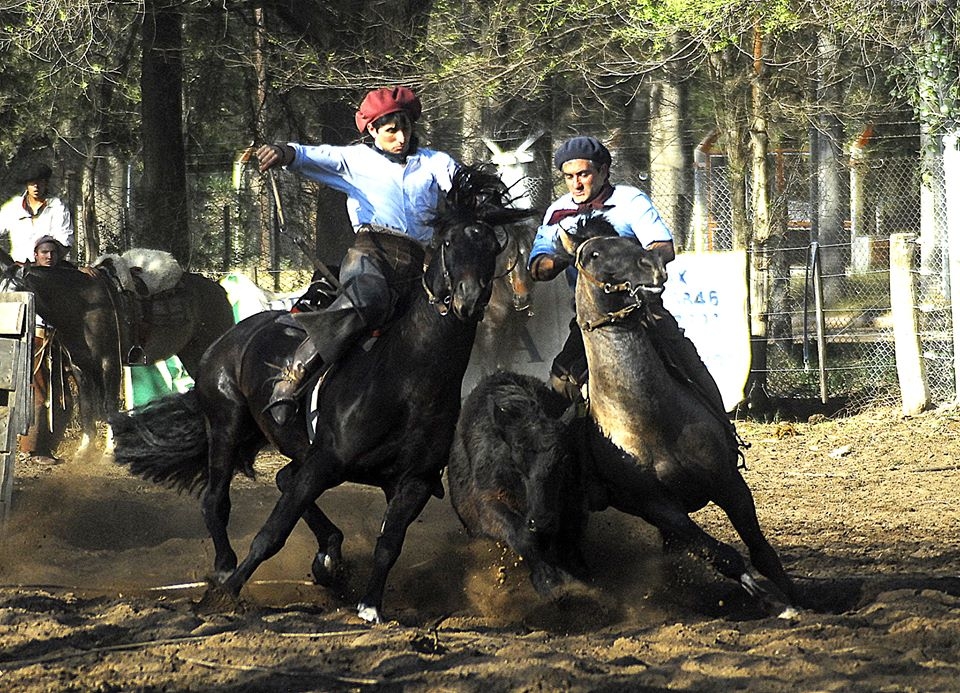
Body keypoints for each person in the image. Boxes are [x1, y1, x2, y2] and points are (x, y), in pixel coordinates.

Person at [256, 85, 460, 424]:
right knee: (367, 298)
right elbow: (308, 155)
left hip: (419, 265)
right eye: (391, 130)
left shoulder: (434, 162)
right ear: (373, 131)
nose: (401, 137)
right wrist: (281, 151)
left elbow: (457, 182)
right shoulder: (355, 160)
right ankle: (293, 376)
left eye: (405, 127)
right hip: (370, 257)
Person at [529, 135, 726, 416]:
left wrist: (641, 261)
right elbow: (536, 267)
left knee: (688, 363)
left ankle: (726, 435)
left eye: (583, 174)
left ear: (603, 171)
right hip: (591, 318)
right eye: (569, 176)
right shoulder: (557, 212)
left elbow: (663, 246)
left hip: (641, 311)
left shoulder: (629, 200)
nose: (577, 183)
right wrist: (567, 256)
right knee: (560, 382)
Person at [18, 235, 74, 465]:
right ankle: (30, 450)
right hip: (36, 340)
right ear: (36, 255)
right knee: (38, 396)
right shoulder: (26, 278)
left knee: (64, 398)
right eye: (44, 253)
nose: (49, 256)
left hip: (60, 342)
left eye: (53, 253)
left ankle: (49, 448)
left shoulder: (67, 278)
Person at [0, 163, 74, 262]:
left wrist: (46, 259)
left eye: (40, 182)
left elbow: (65, 242)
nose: (36, 186)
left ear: (46, 183)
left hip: (47, 269)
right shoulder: (13, 207)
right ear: (27, 185)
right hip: (17, 268)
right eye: (32, 182)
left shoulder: (58, 207)